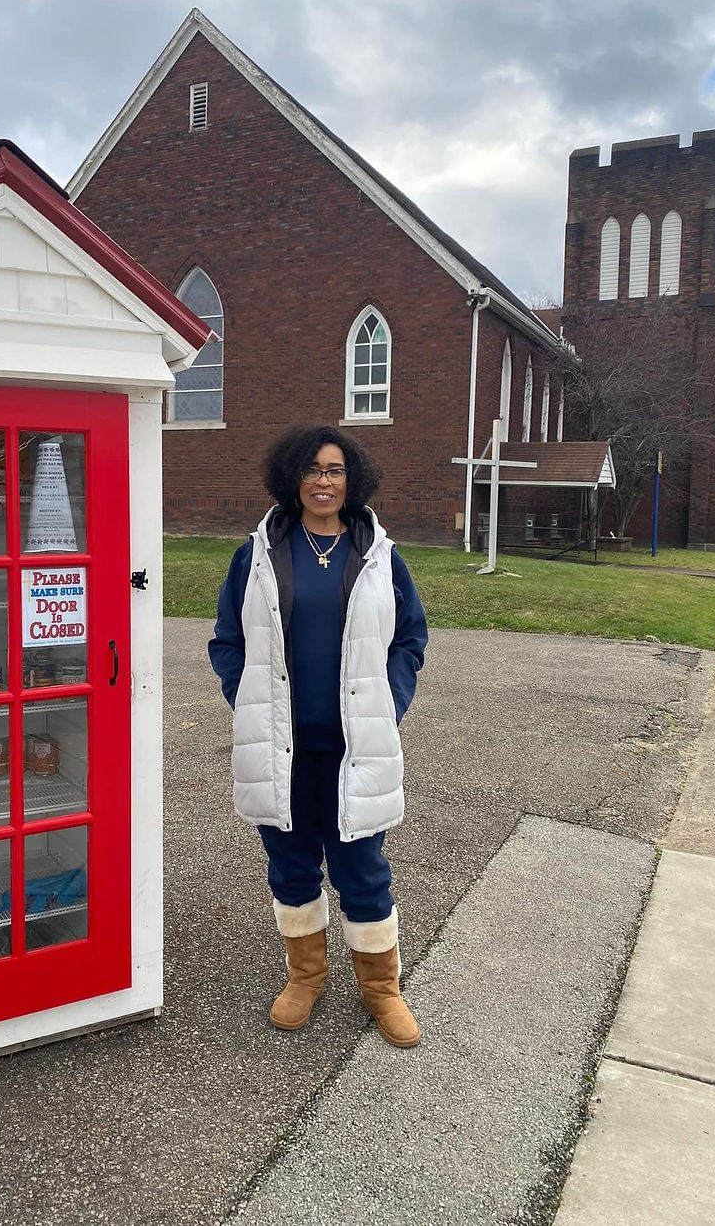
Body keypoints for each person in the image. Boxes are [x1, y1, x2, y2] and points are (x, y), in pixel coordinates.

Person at [208, 423, 428, 1047]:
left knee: (362, 867)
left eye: (334, 470)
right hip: (281, 747)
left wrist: (390, 702)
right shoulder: (257, 555)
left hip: (354, 747)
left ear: (351, 478)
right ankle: (306, 976)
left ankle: (382, 989)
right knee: (292, 866)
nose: (324, 481)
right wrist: (246, 700)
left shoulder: (380, 556)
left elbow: (410, 638)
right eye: (312, 469)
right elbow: (228, 639)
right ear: (292, 478)